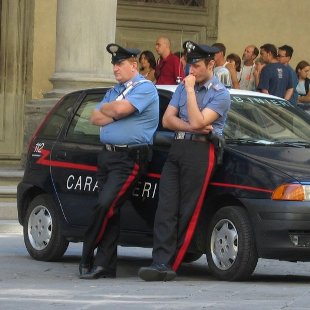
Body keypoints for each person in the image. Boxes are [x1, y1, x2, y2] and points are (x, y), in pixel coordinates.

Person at [138, 40, 231, 282]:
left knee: (187, 208)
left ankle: (172, 264)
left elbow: (203, 123)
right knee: (166, 207)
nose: (191, 70)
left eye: (197, 65)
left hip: (201, 151)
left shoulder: (220, 94)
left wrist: (190, 92)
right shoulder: (181, 88)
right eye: (190, 64)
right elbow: (168, 120)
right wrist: (194, 124)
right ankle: (159, 260)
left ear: (211, 64)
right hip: (178, 146)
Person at [79, 43, 159, 280]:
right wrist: (108, 109)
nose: (115, 68)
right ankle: (105, 265)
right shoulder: (115, 90)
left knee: (105, 205)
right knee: (110, 211)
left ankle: (86, 253)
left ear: (133, 65)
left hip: (128, 158)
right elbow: (94, 118)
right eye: (114, 64)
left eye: (119, 64)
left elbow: (123, 109)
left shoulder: (144, 88)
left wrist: (109, 110)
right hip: (107, 156)